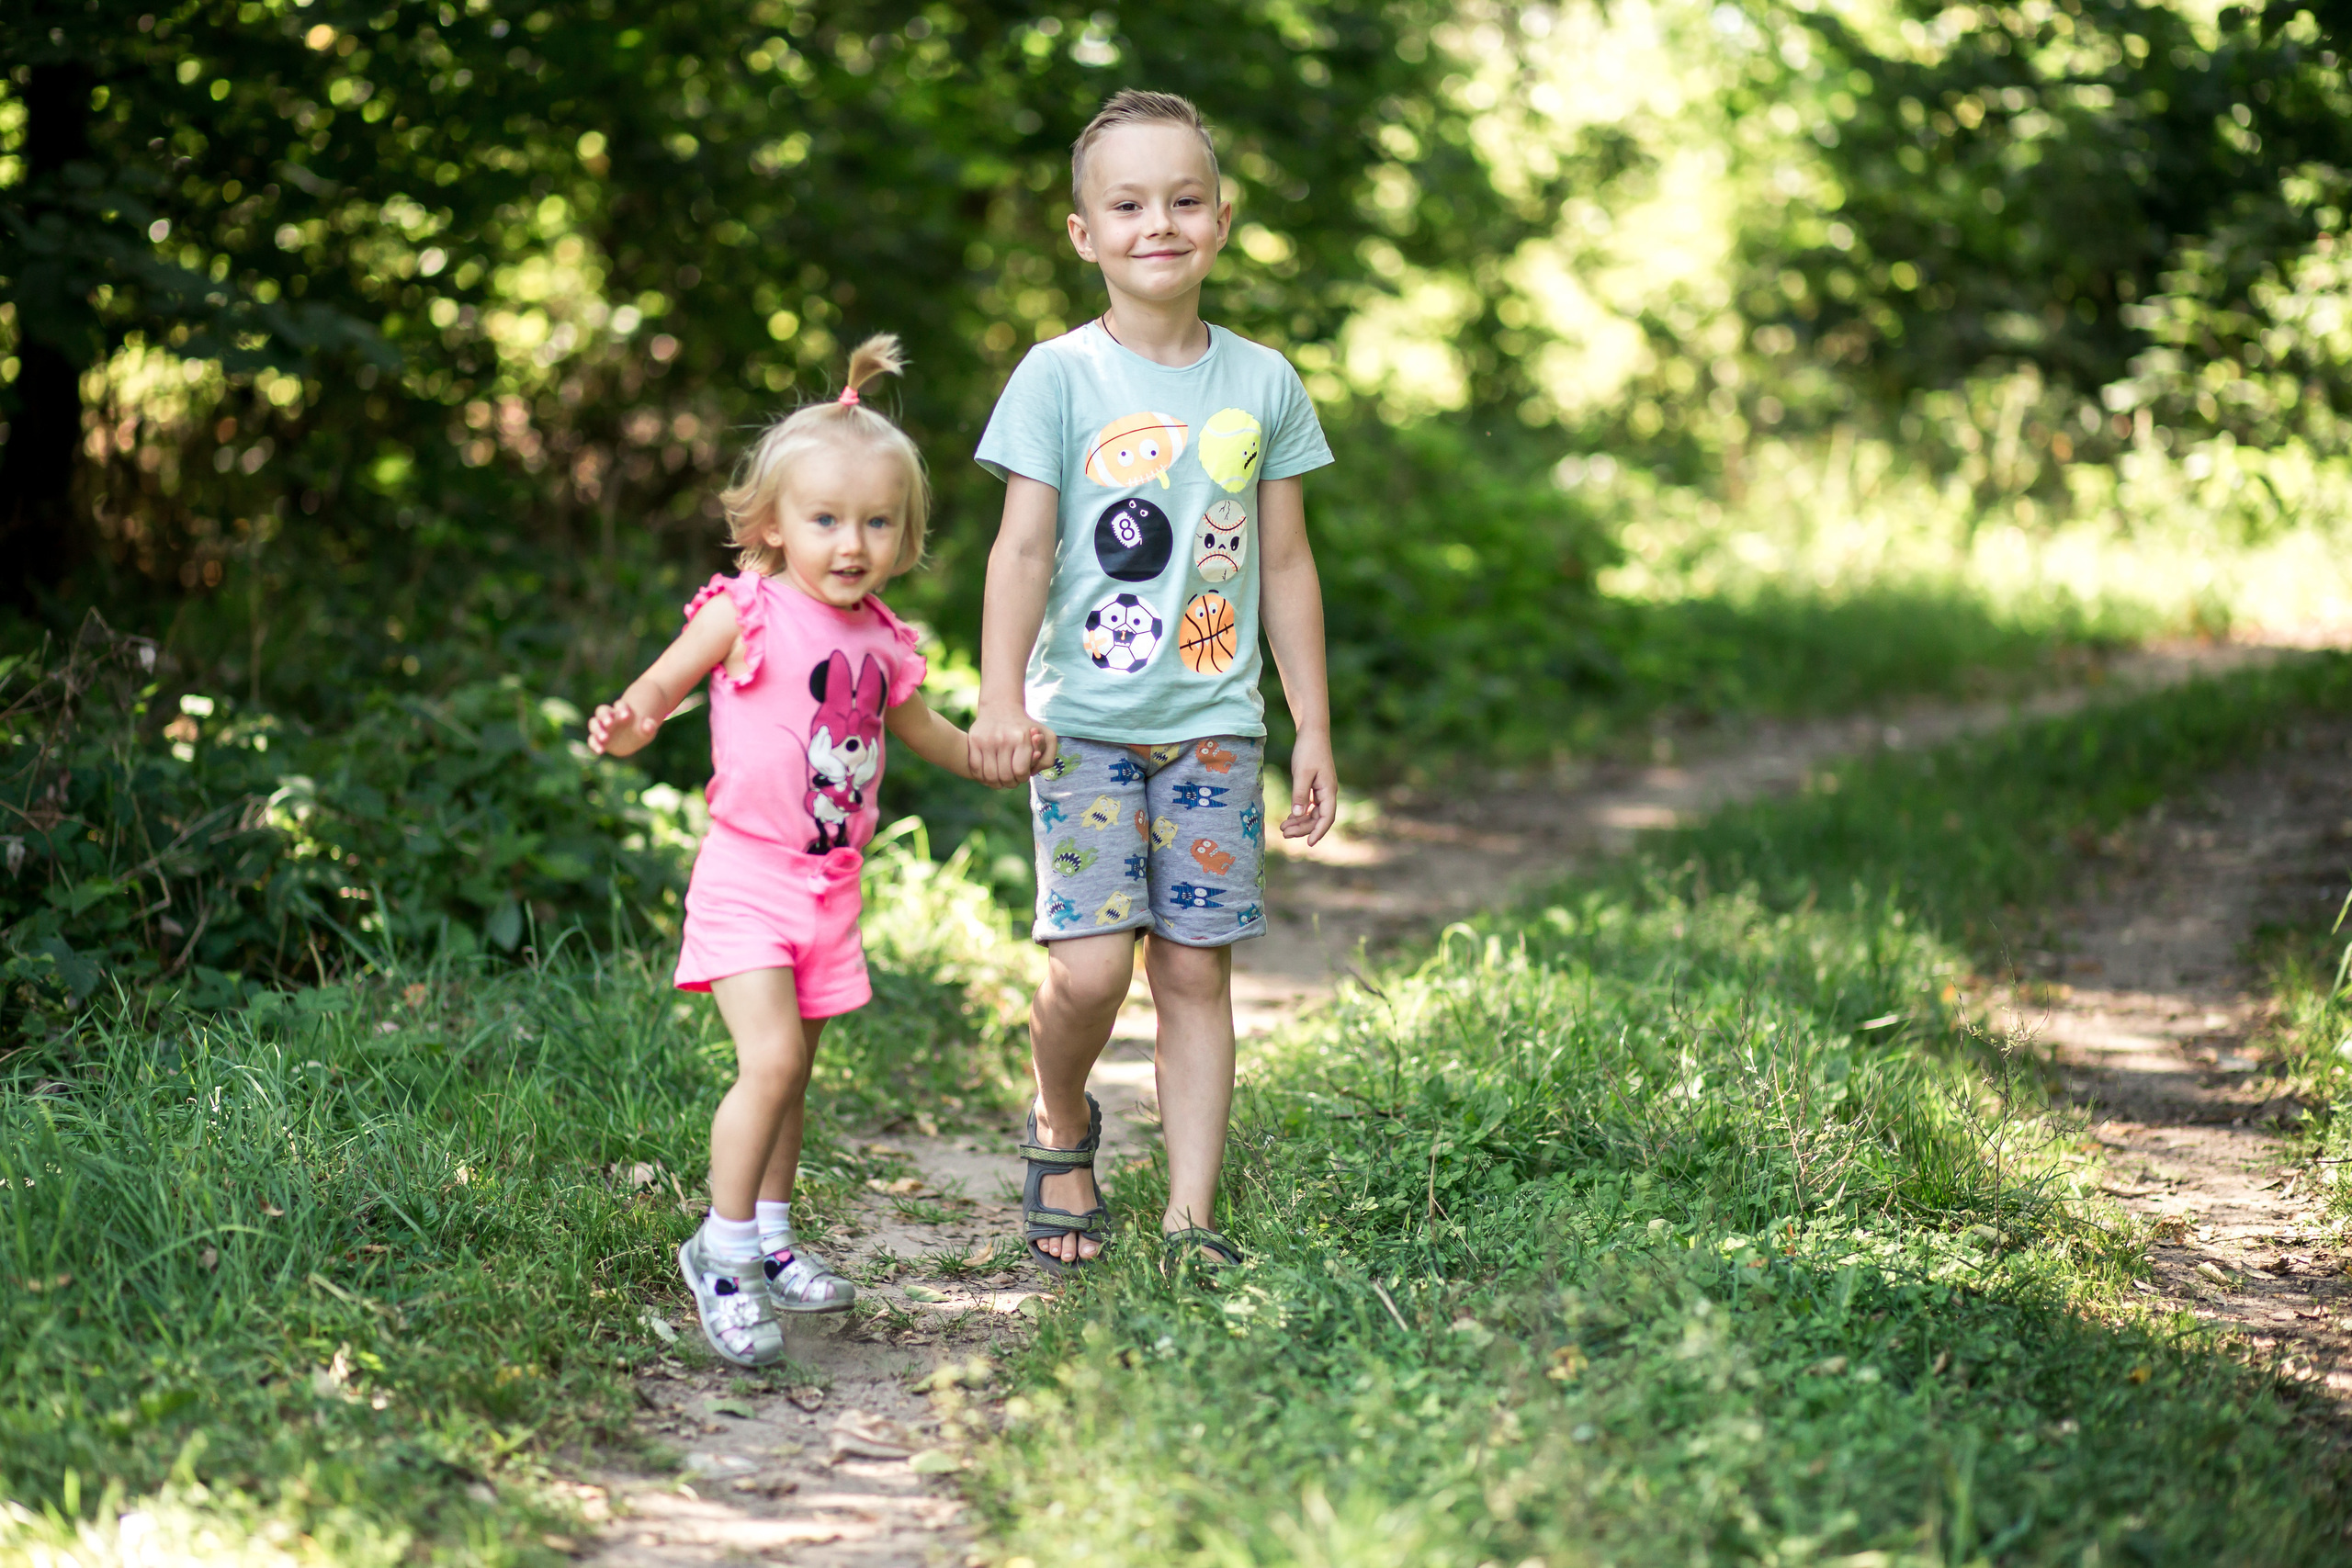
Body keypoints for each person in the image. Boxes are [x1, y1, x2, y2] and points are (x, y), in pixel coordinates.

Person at [590, 335, 1050, 1365]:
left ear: (905, 533)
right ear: (771, 525)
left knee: (796, 1078)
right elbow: (661, 687)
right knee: (772, 1059)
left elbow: (930, 737)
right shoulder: (746, 610)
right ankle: (721, 1248)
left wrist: (994, 757)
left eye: (877, 522)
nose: (852, 543)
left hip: (829, 889)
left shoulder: (883, 643)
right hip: (747, 875)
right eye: (827, 520)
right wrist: (629, 720)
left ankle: (775, 1234)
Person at [968, 90, 1339, 1279]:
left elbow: (1283, 559)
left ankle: (1190, 1212)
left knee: (1192, 965)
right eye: (1127, 204)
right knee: (1087, 967)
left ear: (1221, 222)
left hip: (1216, 731)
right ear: (1085, 234)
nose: (1158, 224)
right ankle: (1061, 1113)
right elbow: (1021, 550)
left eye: (1184, 200)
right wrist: (995, 696)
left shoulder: (1264, 381)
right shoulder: (1057, 377)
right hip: (1078, 724)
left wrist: (1310, 727)